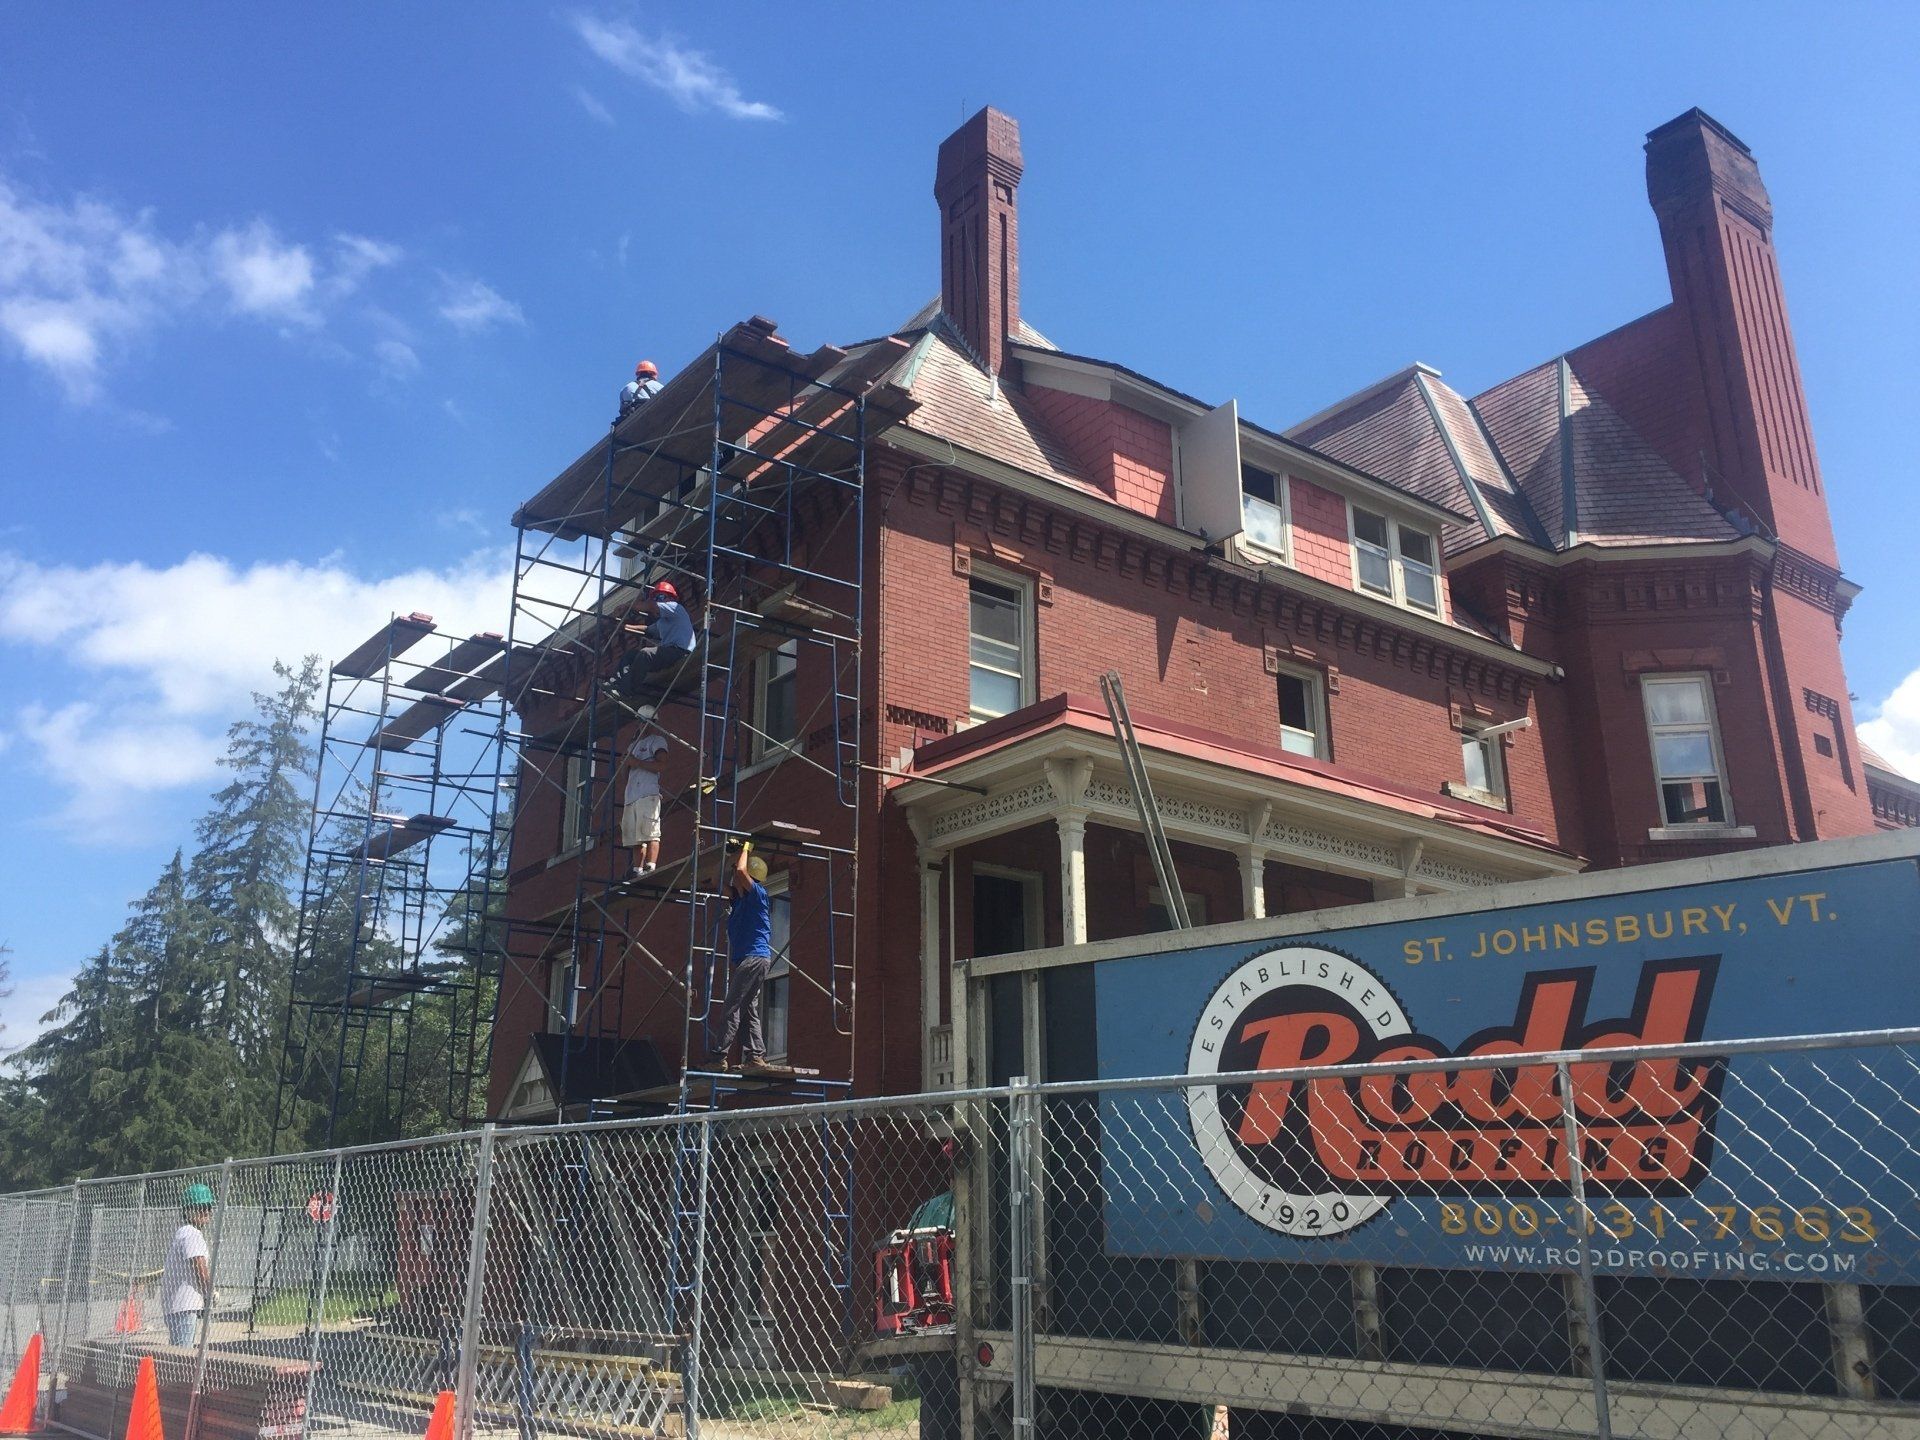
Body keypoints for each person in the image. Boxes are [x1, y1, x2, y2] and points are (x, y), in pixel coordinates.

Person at [714, 843, 775, 1074]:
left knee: (732, 1005)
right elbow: (714, 883)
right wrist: (728, 855)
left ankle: (719, 1056)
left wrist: (746, 849)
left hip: (754, 958)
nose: (735, 876)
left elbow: (740, 872)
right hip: (751, 960)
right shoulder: (739, 901)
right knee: (748, 1007)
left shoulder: (758, 895)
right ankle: (756, 1055)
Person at [617, 580, 696, 697]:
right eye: (656, 598)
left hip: (681, 652)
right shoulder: (663, 622)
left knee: (646, 654)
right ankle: (617, 684)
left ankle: (626, 691)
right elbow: (647, 629)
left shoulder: (676, 608)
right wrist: (622, 627)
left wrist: (628, 606)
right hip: (668, 654)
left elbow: (650, 606)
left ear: (672, 598)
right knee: (630, 655)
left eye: (661, 597)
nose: (658, 601)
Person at [161, 1183, 216, 1348]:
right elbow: (199, 1266)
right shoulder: (192, 1234)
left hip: (179, 1305)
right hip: (184, 1306)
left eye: (208, 1206)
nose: (205, 1211)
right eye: (200, 1207)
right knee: (183, 1354)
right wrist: (210, 1292)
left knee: (178, 1351)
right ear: (188, 1210)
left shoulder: (184, 1232)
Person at [619, 727, 669, 876]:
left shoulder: (657, 741)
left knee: (651, 833)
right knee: (635, 838)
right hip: (632, 796)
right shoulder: (632, 746)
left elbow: (662, 764)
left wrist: (637, 762)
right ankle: (637, 869)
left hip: (648, 793)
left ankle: (650, 865)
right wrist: (625, 762)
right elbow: (623, 775)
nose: (642, 725)